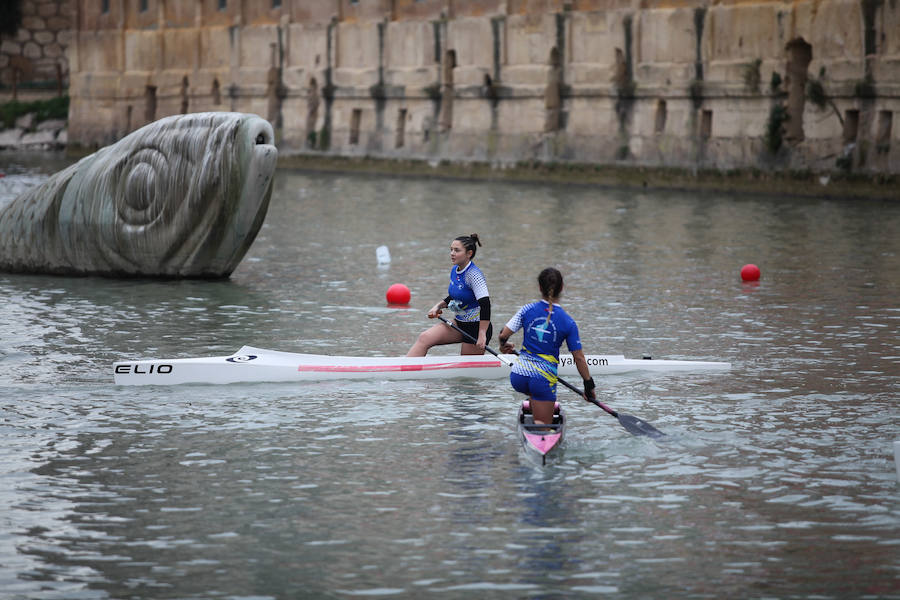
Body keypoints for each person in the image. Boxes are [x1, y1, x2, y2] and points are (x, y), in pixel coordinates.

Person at [498, 267, 596, 425]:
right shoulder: (568, 322)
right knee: (542, 425)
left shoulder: (526, 310)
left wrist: (504, 346)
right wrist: (588, 385)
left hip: (518, 376)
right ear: (562, 288)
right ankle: (540, 428)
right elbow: (578, 358)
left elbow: (503, 334)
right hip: (542, 379)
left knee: (534, 390)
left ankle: (534, 403)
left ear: (540, 288)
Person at [407, 233, 493, 357]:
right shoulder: (455, 270)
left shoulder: (474, 275)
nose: (452, 253)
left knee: (466, 374)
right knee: (424, 338)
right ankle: (405, 369)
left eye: (457, 250)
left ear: (469, 253)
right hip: (459, 323)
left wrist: (482, 334)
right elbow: (454, 296)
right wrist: (437, 307)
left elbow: (485, 304)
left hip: (476, 329)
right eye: (451, 250)